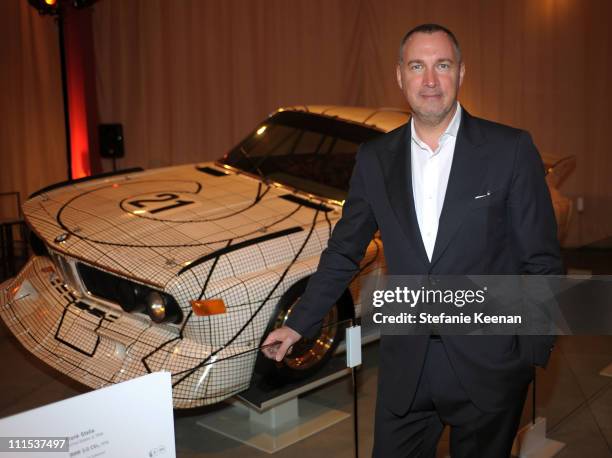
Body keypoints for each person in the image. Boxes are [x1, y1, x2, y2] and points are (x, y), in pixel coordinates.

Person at [262, 23, 562, 457]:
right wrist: (299, 323)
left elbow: (541, 260)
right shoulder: (375, 158)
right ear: (399, 76)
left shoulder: (510, 149)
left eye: (442, 65)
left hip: (490, 366)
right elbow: (345, 250)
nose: (430, 80)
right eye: (417, 66)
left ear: (461, 73)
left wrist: (529, 353)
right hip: (407, 365)